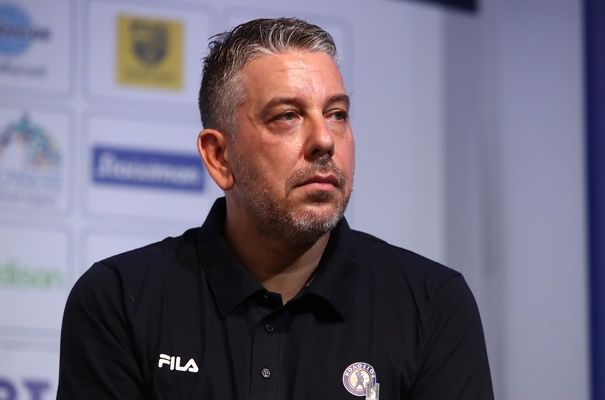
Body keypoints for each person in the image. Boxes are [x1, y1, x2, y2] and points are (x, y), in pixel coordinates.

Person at [57, 18, 493, 399]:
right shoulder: (118, 299)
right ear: (219, 157)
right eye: (287, 116)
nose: (324, 140)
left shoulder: (432, 304)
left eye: (337, 114)